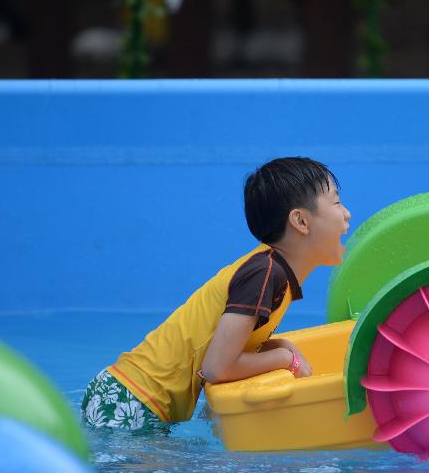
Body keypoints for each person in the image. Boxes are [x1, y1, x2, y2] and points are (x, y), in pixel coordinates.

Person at [80, 157, 351, 430]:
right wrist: (285, 360)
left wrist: (281, 347)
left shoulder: (271, 273)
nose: (347, 214)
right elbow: (217, 367)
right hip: (130, 400)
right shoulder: (265, 273)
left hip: (133, 398)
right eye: (337, 202)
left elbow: (223, 351)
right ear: (301, 221)